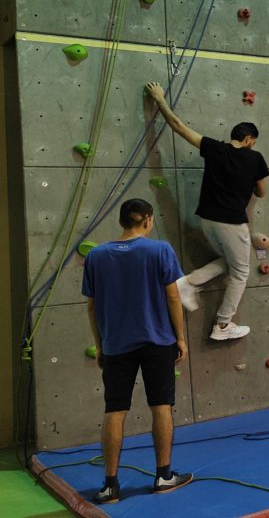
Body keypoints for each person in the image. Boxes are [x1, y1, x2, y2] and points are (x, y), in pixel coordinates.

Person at [83, 199, 192, 504]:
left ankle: (109, 485)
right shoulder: (160, 250)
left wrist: (102, 343)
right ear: (146, 220)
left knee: (114, 410)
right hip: (157, 341)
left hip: (116, 344)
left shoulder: (96, 255)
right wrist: (180, 338)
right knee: (161, 406)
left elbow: (91, 306)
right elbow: (173, 298)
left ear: (121, 221)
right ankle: (163, 476)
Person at [147, 82, 267, 341]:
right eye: (252, 142)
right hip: (232, 222)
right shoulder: (255, 158)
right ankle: (223, 324)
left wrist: (159, 99)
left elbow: (178, 126)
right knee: (241, 272)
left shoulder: (214, 148)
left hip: (207, 220)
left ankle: (187, 283)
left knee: (230, 262)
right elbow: (262, 192)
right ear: (248, 140)